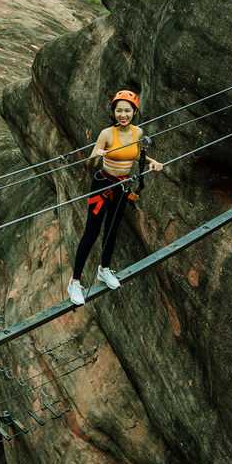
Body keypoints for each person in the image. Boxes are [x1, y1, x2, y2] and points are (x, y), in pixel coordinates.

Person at [67, 90, 163, 306]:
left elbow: (136, 154)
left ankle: (104, 269)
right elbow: (89, 164)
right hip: (102, 184)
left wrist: (152, 161)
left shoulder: (138, 132)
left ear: (134, 112)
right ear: (114, 112)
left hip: (121, 186)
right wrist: (96, 155)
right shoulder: (107, 134)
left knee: (112, 229)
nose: (123, 114)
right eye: (119, 110)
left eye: (127, 110)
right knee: (91, 233)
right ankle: (74, 281)